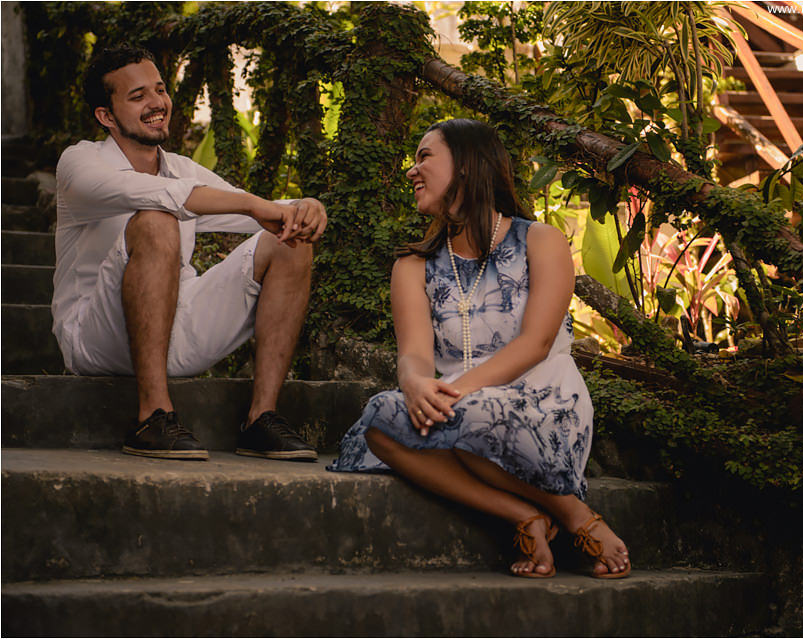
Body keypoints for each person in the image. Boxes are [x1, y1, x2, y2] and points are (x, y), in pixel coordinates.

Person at [329, 119, 631, 579]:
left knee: (464, 418)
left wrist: (455, 394)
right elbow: (414, 353)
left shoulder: (540, 240)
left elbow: (537, 343)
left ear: (467, 166)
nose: (411, 171)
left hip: (542, 401)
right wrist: (414, 383)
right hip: (458, 403)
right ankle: (520, 514)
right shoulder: (413, 264)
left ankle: (577, 518)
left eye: (424, 156)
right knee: (378, 420)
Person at [53, 44, 326, 462]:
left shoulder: (182, 168)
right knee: (157, 217)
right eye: (138, 96)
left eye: (159, 90)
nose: (157, 103)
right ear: (106, 116)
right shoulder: (80, 163)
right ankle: (153, 417)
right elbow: (162, 196)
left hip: (176, 328)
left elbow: (262, 214)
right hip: (98, 336)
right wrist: (254, 204)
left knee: (289, 238)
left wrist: (304, 207)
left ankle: (261, 419)